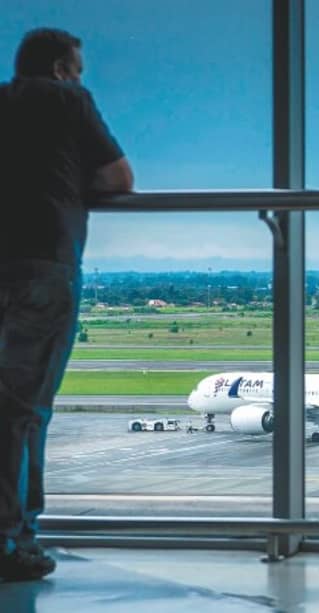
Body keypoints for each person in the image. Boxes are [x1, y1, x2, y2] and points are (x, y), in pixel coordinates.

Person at [0, 28, 133, 581]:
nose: (80, 78)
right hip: (44, 260)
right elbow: (119, 178)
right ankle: (13, 541)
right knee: (23, 409)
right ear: (59, 70)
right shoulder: (68, 101)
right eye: (77, 69)